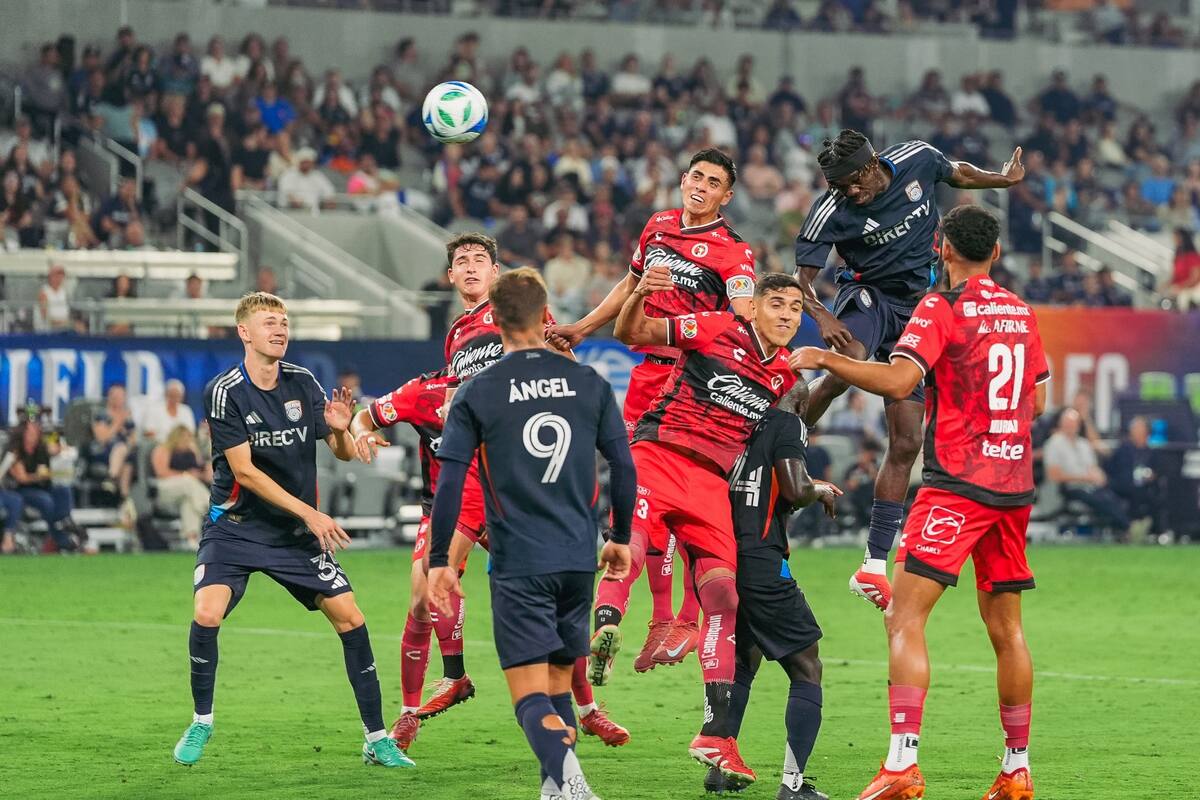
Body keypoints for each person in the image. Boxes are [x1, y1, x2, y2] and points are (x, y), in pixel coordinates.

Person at [790, 205, 1049, 800]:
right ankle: (1016, 769)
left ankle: (902, 764)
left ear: (942, 248)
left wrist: (828, 358)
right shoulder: (1021, 311)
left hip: (957, 483)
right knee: (1007, 631)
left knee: (903, 616)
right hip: (1014, 488)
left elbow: (901, 382)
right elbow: (1034, 405)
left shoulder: (939, 306)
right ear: (997, 254)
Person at [172, 291, 412, 769]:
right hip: (236, 528)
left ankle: (377, 737)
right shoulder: (225, 391)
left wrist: (343, 430)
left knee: (351, 617)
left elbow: (341, 451)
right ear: (244, 332)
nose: (280, 330)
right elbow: (245, 472)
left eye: (284, 322)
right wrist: (310, 513)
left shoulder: (302, 382)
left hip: (293, 536)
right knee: (207, 610)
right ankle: (202, 720)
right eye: (269, 322)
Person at [793, 128, 1025, 611]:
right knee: (848, 362)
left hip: (920, 305)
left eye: (854, 182)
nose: (849, 193)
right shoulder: (830, 209)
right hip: (868, 298)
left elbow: (955, 171)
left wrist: (999, 181)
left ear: (872, 162)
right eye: (839, 187)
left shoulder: (917, 157)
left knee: (906, 441)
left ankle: (873, 565)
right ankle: (784, 438)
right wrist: (823, 315)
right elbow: (801, 282)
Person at [426, 267, 635, 800]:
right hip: (577, 559)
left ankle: (573, 783)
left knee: (528, 695)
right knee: (560, 682)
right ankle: (554, 786)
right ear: (547, 316)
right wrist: (620, 535)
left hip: (520, 561)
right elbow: (623, 464)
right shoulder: (589, 381)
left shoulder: (478, 391)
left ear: (493, 320)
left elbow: (451, 483)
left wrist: (439, 562)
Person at [548, 148, 759, 674]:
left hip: (693, 378)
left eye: (713, 183)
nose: (701, 187)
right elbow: (629, 285)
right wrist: (581, 327)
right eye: (696, 177)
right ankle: (659, 619)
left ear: (726, 196)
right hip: (646, 370)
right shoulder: (659, 226)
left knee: (692, 496)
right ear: (683, 180)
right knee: (641, 494)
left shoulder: (734, 254)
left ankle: (686, 618)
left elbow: (743, 318)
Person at [592, 272, 805, 787]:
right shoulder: (712, 327)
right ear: (751, 307)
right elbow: (632, 332)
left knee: (726, 599)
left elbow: (787, 435)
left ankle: (714, 735)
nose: (786, 316)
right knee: (633, 545)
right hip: (658, 456)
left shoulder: (785, 377)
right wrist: (641, 292)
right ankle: (606, 624)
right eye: (776, 304)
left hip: (712, 485)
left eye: (795, 309)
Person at [704, 383, 840, 800]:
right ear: (798, 401)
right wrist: (817, 489)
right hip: (762, 564)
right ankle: (793, 784)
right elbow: (797, 489)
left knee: (744, 661)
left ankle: (719, 768)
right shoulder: (789, 423)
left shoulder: (736, 425)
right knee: (807, 667)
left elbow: (764, 488)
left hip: (723, 559)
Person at [1043, 408, 1129, 532]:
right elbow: (1054, 476)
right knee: (1100, 500)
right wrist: (1085, 478)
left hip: (1090, 486)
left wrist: (1099, 476)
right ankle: (1127, 527)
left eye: (1074, 423)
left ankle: (1124, 527)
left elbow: (1092, 468)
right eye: (1067, 423)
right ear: (1061, 424)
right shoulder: (1054, 444)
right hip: (1069, 488)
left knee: (1114, 494)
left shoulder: (1084, 444)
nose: (1071, 427)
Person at [6, 419, 77, 553]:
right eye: (30, 431)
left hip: (42, 486)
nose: (34, 434)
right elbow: (22, 478)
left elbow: (57, 449)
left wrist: (60, 448)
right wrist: (38, 476)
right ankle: (61, 538)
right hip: (21, 490)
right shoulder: (16, 451)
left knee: (63, 490)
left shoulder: (41, 448)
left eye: (36, 430)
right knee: (45, 500)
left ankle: (64, 521)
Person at [151, 425, 212, 550]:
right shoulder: (163, 449)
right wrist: (185, 474)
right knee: (187, 481)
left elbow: (203, 474)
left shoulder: (190, 451)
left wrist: (195, 452)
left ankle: (192, 539)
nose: (188, 441)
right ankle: (210, 507)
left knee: (189, 502)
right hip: (164, 489)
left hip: (188, 492)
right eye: (185, 438)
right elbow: (161, 472)